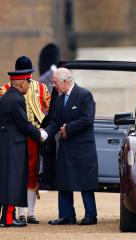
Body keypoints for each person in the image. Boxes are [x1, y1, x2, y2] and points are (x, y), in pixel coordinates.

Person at [41, 68, 98, 225]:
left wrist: (68, 128)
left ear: (65, 81)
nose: (54, 86)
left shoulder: (84, 95)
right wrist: (45, 134)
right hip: (66, 148)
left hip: (83, 147)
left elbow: (87, 119)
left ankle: (90, 216)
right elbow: (54, 122)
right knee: (64, 181)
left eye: (55, 82)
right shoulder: (59, 100)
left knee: (86, 183)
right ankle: (67, 216)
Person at [0, 56, 51, 224]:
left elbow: (49, 110)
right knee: (14, 177)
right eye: (28, 79)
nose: (30, 83)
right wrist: (41, 134)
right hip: (20, 139)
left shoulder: (13, 93)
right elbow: (23, 123)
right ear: (22, 80)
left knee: (28, 174)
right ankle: (12, 216)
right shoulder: (12, 94)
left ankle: (27, 212)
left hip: (22, 138)